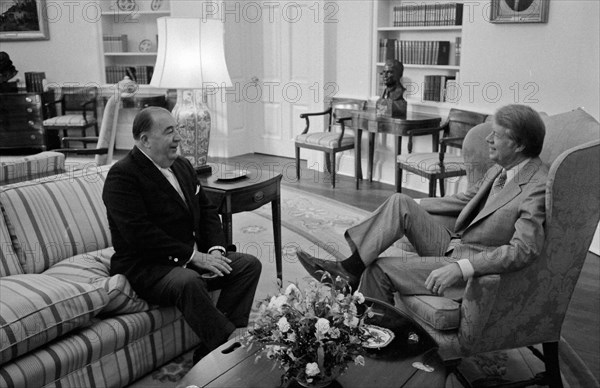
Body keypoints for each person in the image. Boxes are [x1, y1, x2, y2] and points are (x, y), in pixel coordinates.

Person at [297, 104, 547, 307]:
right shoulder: (501, 168)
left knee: (379, 269)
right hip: (452, 243)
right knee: (399, 202)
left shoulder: (536, 185)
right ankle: (349, 269)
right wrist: (415, 205)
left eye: (497, 135)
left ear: (519, 144)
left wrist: (463, 268)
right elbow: (465, 200)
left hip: (472, 260)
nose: (488, 139)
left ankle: (380, 339)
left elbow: (524, 249)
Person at [102, 107, 262, 363]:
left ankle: (213, 349)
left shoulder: (183, 166)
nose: (178, 137)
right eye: (169, 132)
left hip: (189, 257)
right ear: (144, 140)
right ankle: (231, 350)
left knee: (247, 266)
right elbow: (140, 235)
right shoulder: (122, 176)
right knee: (188, 281)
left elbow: (207, 212)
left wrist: (216, 251)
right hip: (148, 267)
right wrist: (192, 257)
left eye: (178, 129)